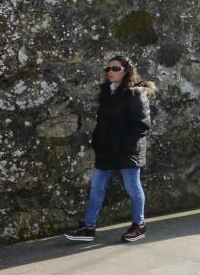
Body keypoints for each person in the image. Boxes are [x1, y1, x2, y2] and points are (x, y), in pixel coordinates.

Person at [64, 55, 156, 243]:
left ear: (126, 71)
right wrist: (97, 142)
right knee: (97, 186)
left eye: (115, 68)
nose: (110, 72)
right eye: (108, 69)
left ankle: (139, 225)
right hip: (106, 149)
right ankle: (89, 227)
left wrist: (125, 146)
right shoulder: (106, 91)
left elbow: (142, 125)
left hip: (127, 151)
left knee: (132, 187)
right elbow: (102, 122)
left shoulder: (136, 93)